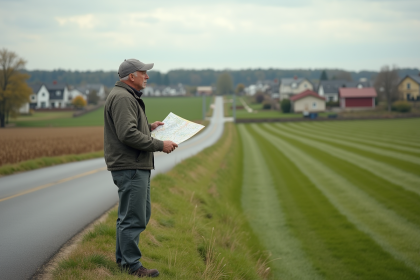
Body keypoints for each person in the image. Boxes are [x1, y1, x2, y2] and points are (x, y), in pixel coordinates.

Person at [104, 59, 178, 277]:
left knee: (134, 215)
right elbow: (127, 134)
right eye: (143, 73)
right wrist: (159, 145)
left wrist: (148, 127)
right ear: (131, 76)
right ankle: (132, 266)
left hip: (133, 164)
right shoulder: (123, 98)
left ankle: (124, 261)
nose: (147, 76)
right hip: (131, 165)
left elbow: (130, 128)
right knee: (134, 217)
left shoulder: (125, 96)